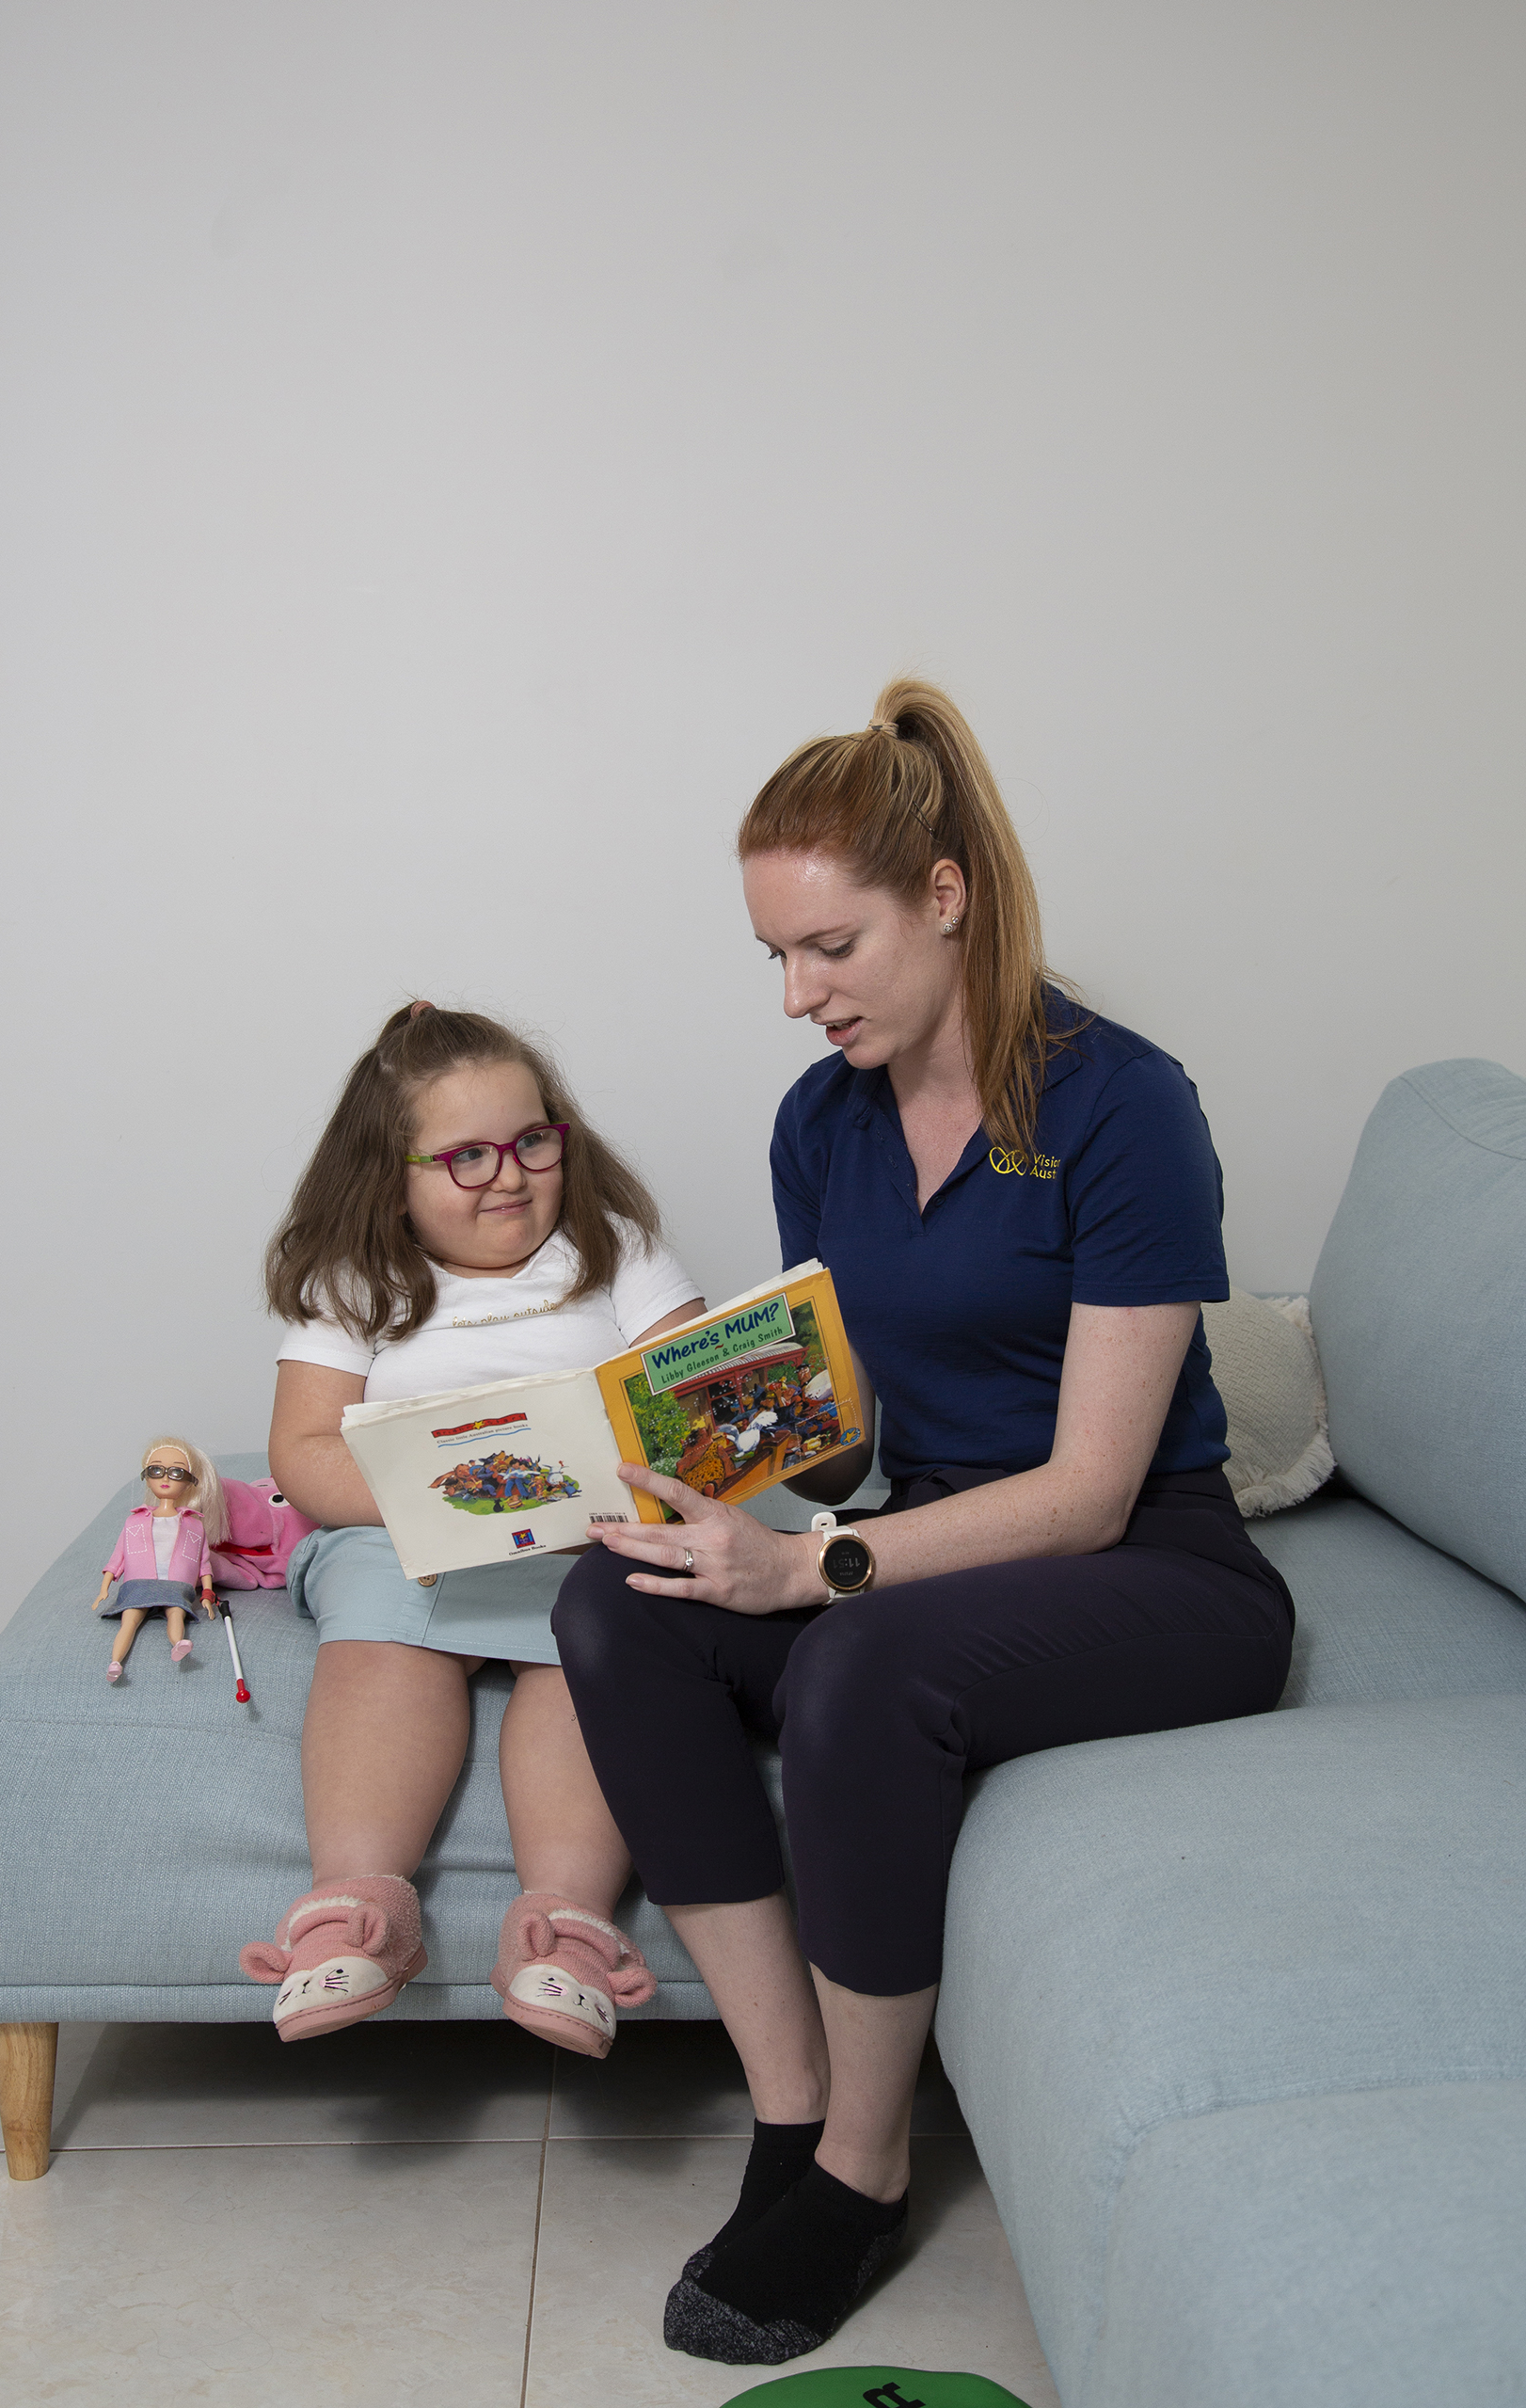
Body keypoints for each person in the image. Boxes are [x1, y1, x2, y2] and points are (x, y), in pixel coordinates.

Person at [552, 678, 1296, 2367]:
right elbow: (850, 1428)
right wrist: (696, 1470)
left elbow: (1093, 1487)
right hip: (934, 1531)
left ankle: (869, 2170)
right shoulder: (822, 1122)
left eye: (831, 947)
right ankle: (794, 2107)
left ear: (944, 898)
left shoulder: (1124, 1104)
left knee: (860, 1663)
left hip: (1155, 1563)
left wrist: (817, 1566)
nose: (800, 996)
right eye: (776, 960)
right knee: (618, 1607)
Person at [240, 1001, 705, 2049]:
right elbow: (305, 1452)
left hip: (580, 1539)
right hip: (405, 1535)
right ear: (388, 1175)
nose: (510, 1173)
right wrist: (421, 1499)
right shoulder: (355, 1283)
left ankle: (563, 1924)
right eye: (466, 1155)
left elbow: (689, 1389)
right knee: (377, 1648)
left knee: (597, 1657)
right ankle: (358, 1907)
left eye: (533, 1139)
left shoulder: (612, 1249)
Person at [94, 1439, 226, 1677]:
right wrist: (104, 1588)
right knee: (129, 1620)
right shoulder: (134, 1521)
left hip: (176, 1586)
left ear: (190, 1482)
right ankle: (115, 1663)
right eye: (157, 1471)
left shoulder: (194, 1526)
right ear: (147, 1475)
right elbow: (118, 1557)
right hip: (138, 1583)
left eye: (176, 1473)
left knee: (176, 1613)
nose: (165, 1479)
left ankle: (178, 1644)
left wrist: (207, 1594)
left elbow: (203, 1565)